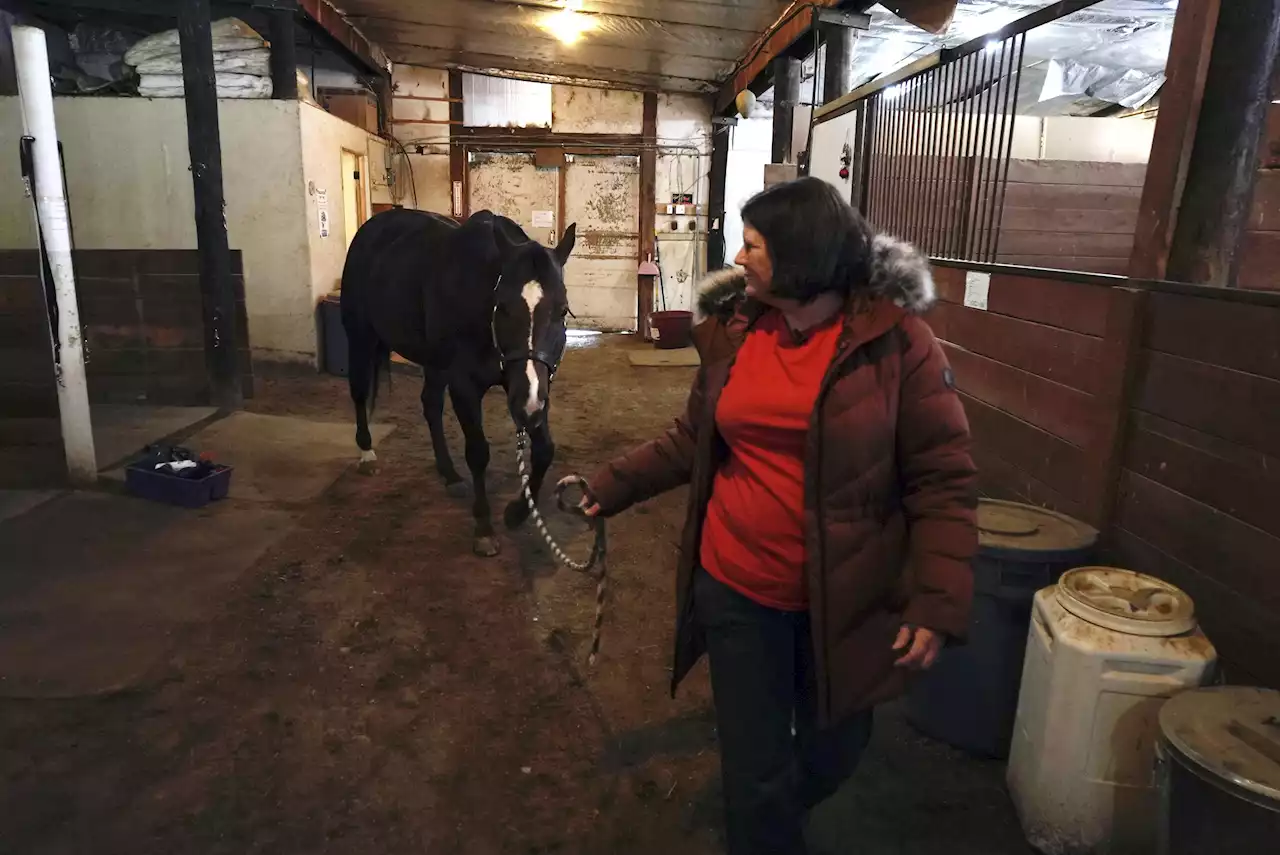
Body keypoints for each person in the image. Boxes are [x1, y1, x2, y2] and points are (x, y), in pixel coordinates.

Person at [575, 177, 978, 854]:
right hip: (737, 589)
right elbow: (692, 437)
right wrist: (612, 485)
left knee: (836, 748)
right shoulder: (738, 332)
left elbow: (942, 478)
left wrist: (937, 598)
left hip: (846, 597)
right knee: (753, 765)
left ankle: (769, 820)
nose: (738, 254)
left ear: (800, 254)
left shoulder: (899, 344)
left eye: (754, 244)